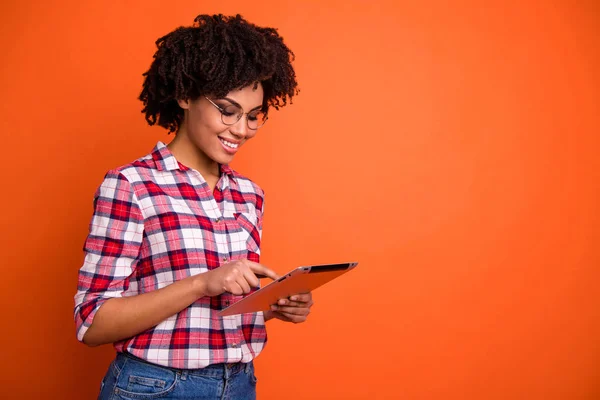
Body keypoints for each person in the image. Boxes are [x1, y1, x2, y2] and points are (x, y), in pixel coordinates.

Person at [73, 14, 313, 400]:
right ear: (186, 96)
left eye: (254, 116)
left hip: (239, 384)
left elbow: (210, 320)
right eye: (227, 109)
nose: (241, 129)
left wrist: (273, 307)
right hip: (156, 387)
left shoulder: (249, 195)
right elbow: (92, 323)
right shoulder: (132, 185)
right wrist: (203, 282)